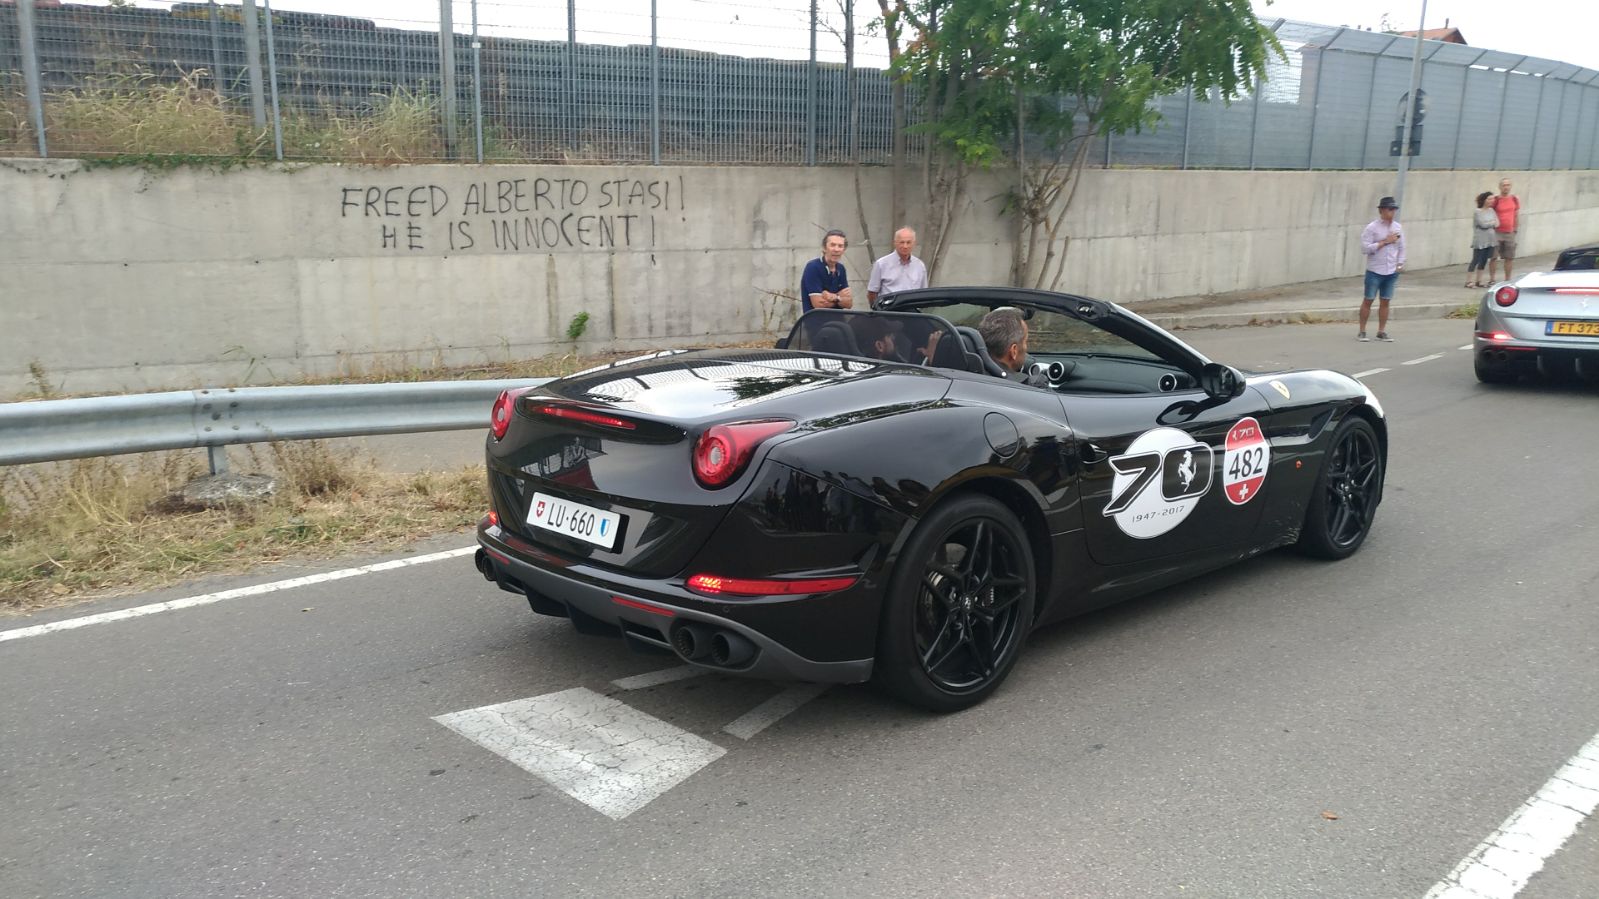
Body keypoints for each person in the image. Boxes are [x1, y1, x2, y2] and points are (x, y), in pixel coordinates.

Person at [1358, 196, 1404, 343]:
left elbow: (1402, 247)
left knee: (1386, 301)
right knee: (1368, 300)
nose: (1392, 212)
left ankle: (1381, 331)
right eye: (1390, 209)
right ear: (1382, 210)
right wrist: (1384, 242)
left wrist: (1400, 264)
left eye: (1394, 209)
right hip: (1375, 270)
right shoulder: (1372, 227)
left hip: (1391, 271)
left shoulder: (1397, 227)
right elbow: (1365, 248)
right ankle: (1362, 330)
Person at [866, 227, 929, 306]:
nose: (905, 246)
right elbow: (872, 293)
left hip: (912, 312)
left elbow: (923, 293)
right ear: (895, 243)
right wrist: (877, 311)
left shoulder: (920, 266)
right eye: (902, 242)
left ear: (914, 243)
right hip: (889, 312)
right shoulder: (881, 264)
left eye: (908, 242)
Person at [799, 229, 853, 313]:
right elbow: (818, 305)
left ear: (844, 250)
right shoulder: (813, 267)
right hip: (816, 322)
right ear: (824, 248)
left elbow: (849, 303)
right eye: (832, 245)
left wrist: (834, 297)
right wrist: (840, 297)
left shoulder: (841, 269)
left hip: (839, 322)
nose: (836, 249)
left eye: (840, 246)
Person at [1488, 178, 1520, 283]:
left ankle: (1507, 279)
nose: (1506, 187)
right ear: (1500, 187)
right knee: (1493, 257)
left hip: (1509, 232)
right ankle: (1492, 279)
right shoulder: (1496, 200)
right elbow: (1489, 213)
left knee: (1509, 257)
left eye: (1508, 185)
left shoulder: (1514, 199)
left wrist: (1515, 229)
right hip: (1497, 232)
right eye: (1504, 185)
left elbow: (1516, 215)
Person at [978, 307, 1029, 373]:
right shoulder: (1025, 383)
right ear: (1014, 351)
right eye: (1025, 341)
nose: (1026, 348)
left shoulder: (966, 372)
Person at [1467, 191, 1497, 288]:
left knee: (1484, 260)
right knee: (1476, 259)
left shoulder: (1492, 211)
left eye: (1492, 199)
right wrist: (1491, 223)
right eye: (1489, 199)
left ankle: (1479, 280)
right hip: (1480, 240)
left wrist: (1490, 223)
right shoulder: (1477, 211)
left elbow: (1497, 223)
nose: (1491, 201)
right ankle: (1468, 281)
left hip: (1490, 239)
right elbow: (1482, 224)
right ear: (1484, 200)